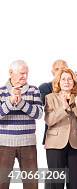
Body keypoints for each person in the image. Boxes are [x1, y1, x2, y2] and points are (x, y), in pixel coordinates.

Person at [0, 60, 43, 189]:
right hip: (5, 144)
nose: (24, 76)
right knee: (2, 182)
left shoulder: (34, 90)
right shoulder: (1, 92)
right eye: (21, 73)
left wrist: (20, 103)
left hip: (28, 144)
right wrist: (10, 101)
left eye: (26, 73)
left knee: (31, 183)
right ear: (11, 73)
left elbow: (39, 114)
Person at [44, 68, 77, 189]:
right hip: (55, 144)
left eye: (69, 79)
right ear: (58, 82)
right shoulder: (50, 97)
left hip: (76, 143)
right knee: (56, 183)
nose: (66, 81)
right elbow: (49, 120)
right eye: (63, 79)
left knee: (75, 183)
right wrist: (63, 108)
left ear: (74, 82)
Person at [40, 60, 68, 146]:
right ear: (52, 72)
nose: (60, 71)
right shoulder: (45, 87)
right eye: (57, 69)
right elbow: (42, 104)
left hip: (71, 135)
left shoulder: (73, 87)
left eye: (63, 69)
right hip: (53, 134)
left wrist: (73, 84)